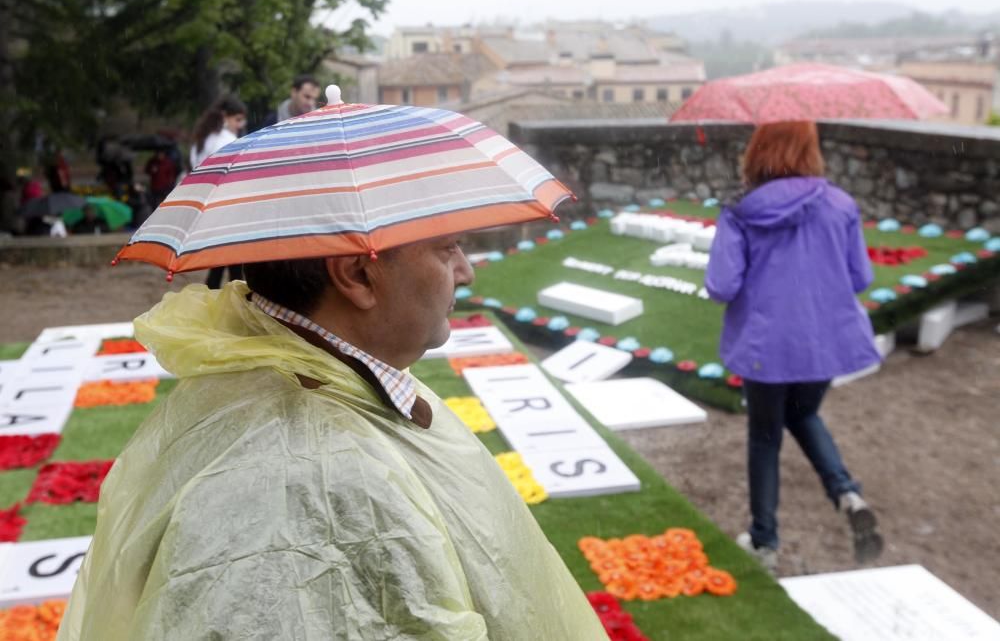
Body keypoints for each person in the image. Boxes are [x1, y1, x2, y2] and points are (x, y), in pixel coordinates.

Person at [56, 239, 609, 640]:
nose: (465, 272)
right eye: (446, 248)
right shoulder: (317, 472)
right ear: (357, 276)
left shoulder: (299, 377)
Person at [705, 120, 884, 572]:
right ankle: (846, 492)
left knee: (765, 437)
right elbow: (861, 277)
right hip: (821, 342)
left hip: (765, 347)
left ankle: (765, 540)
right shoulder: (840, 204)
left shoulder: (741, 212)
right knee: (804, 413)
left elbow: (722, 285)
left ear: (757, 151)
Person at [189, 94, 248, 288]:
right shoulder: (227, 140)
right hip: (228, 203)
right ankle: (236, 299)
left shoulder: (203, 139)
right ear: (225, 116)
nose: (240, 125)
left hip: (208, 203)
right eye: (237, 119)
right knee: (233, 261)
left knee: (220, 259)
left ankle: (215, 293)